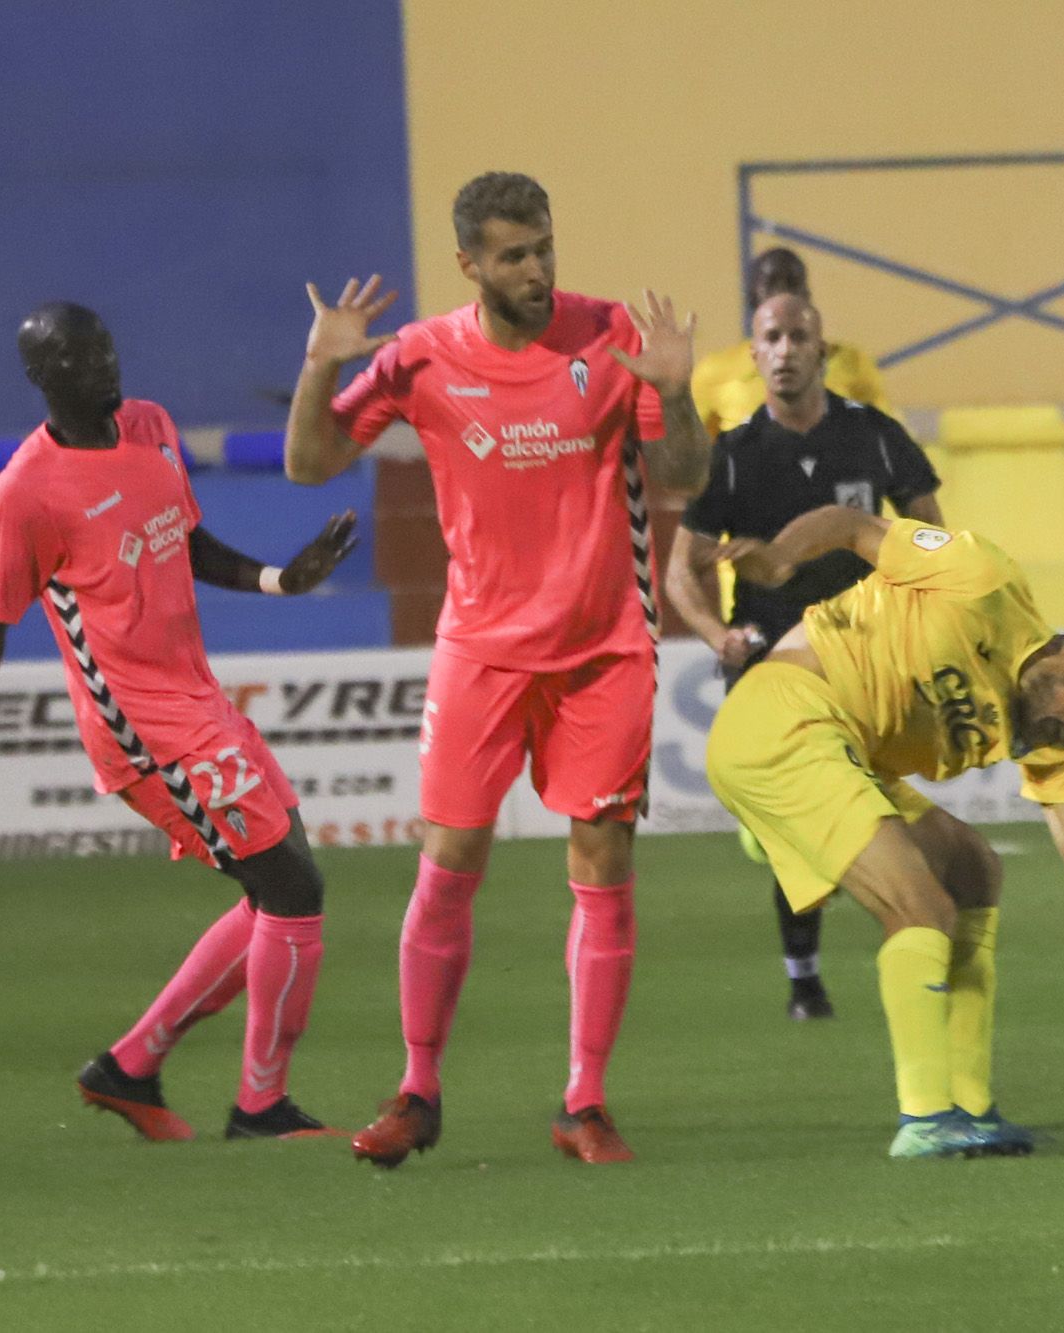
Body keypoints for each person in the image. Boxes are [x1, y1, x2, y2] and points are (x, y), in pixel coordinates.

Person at [0, 302, 360, 1141]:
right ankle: (261, 1105)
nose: (103, 370)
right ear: (43, 379)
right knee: (292, 886)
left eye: (106, 351)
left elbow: (182, 539)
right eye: (79, 362)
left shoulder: (150, 426)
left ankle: (130, 1068)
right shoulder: (26, 491)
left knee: (281, 881)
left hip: (202, 702)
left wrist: (277, 580)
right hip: (143, 732)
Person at [283, 171, 711, 1168]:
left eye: (545, 247)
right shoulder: (422, 357)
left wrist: (676, 392)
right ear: (471, 263)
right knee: (448, 865)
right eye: (513, 254)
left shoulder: (607, 335)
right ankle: (417, 1088)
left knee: (601, 864)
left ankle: (584, 1101)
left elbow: (684, 478)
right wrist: (320, 366)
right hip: (478, 649)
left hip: (604, 649)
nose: (536, 268)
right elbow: (309, 463)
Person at [704, 506, 1064, 1158]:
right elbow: (849, 524)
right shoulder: (982, 580)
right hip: (786, 716)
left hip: (843, 755)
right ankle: (925, 1117)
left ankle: (972, 1106)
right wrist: (782, 557)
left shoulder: (1047, 740)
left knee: (973, 868)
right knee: (920, 906)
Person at [667, 292, 942, 1022]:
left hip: (863, 663)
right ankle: (806, 979)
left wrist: (919, 611)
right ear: (753, 355)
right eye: (770, 338)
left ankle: (903, 942)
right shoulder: (732, 457)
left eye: (798, 336)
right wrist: (716, 637)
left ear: (823, 352)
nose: (785, 349)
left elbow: (932, 537)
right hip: (769, 677)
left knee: (859, 819)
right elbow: (679, 572)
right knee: (811, 827)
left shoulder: (874, 437)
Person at [691, 247, 889, 437]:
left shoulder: (852, 363)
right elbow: (687, 453)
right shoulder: (715, 371)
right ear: (752, 297)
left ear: (807, 295)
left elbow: (891, 440)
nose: (783, 292)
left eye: (792, 282)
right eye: (771, 283)